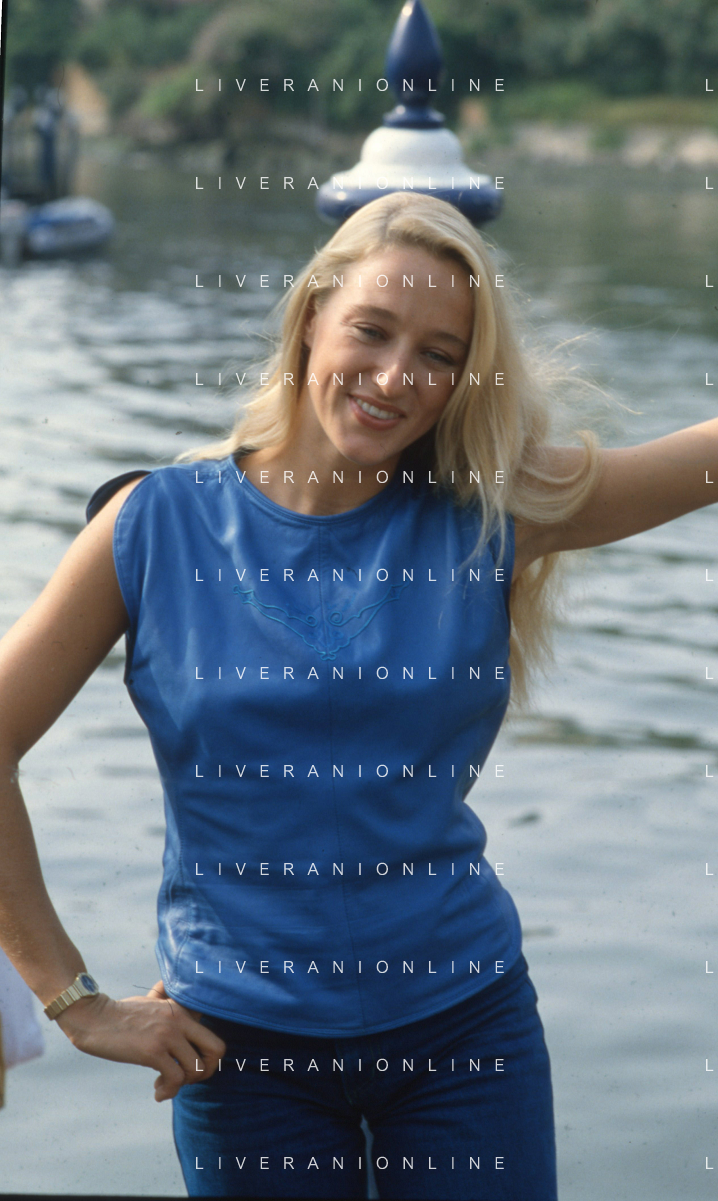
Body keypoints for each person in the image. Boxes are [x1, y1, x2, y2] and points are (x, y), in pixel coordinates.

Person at [0, 191, 714, 1201]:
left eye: (438, 353)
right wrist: (75, 1000)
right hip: (240, 1053)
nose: (394, 377)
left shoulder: (489, 513)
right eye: (371, 331)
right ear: (309, 321)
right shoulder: (153, 526)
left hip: (465, 1033)